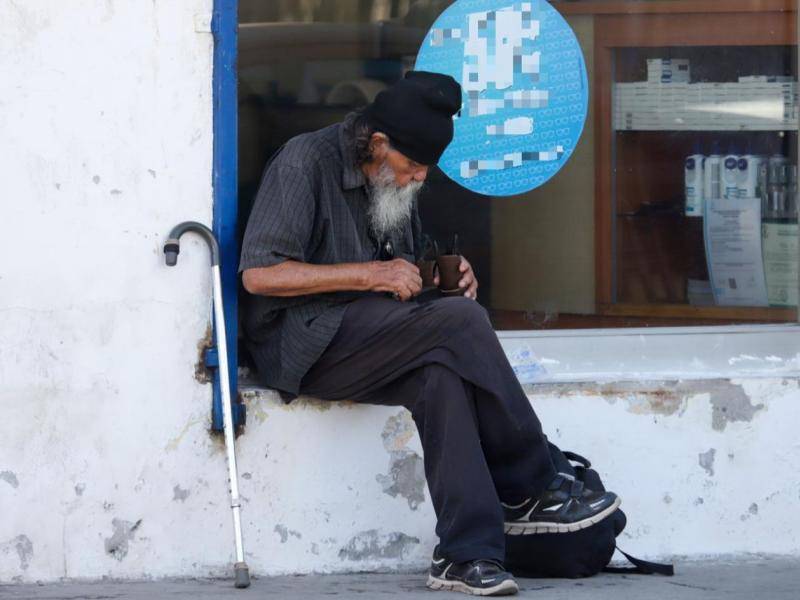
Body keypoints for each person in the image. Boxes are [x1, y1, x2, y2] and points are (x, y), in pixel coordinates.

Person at [239, 71, 620, 596]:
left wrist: (451, 271)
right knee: (462, 322)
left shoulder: (389, 181)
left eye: (425, 169)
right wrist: (370, 274)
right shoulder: (305, 161)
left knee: (440, 374)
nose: (418, 178)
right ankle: (533, 480)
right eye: (412, 166)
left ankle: (468, 555)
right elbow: (260, 274)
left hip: (367, 337)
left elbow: (405, 270)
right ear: (377, 143)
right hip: (301, 343)